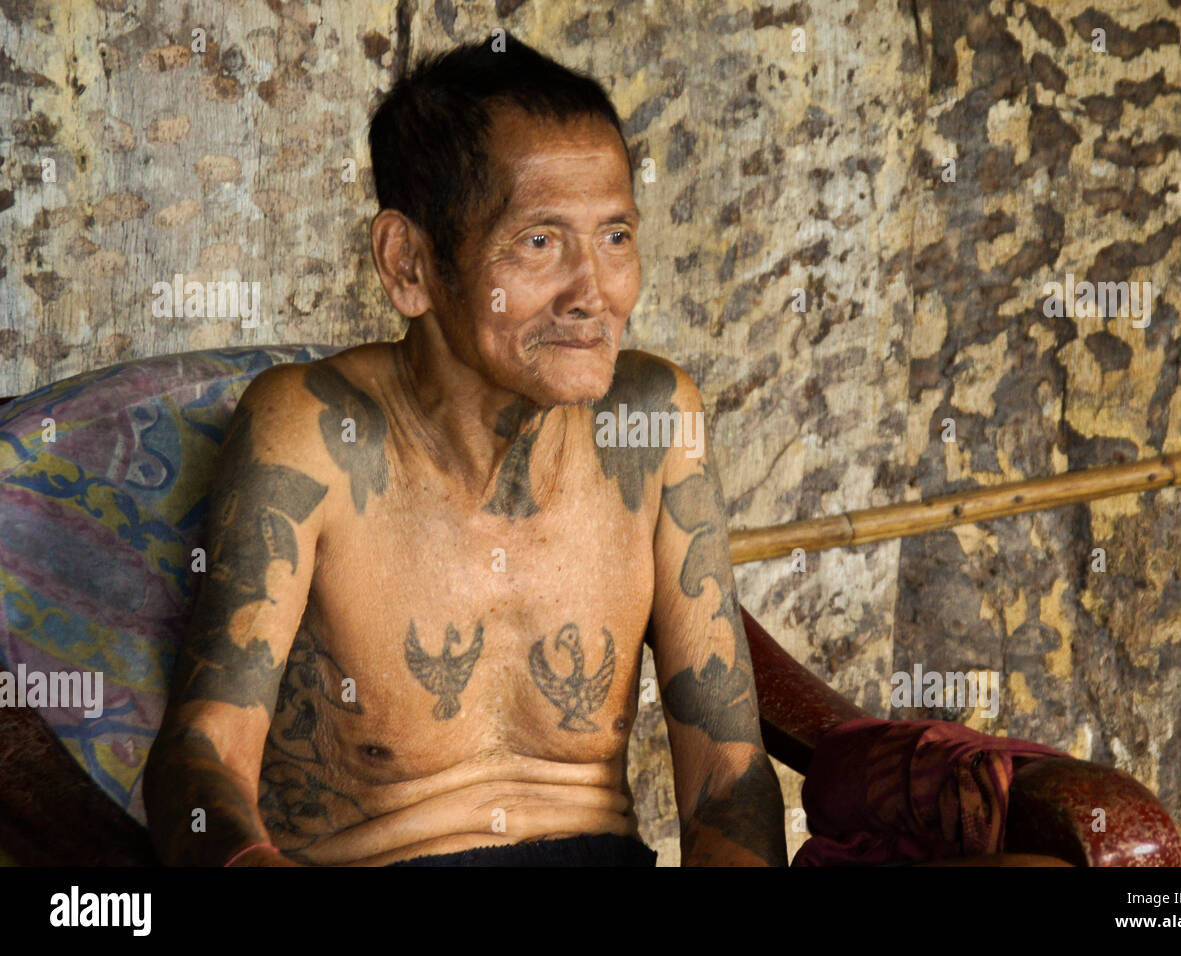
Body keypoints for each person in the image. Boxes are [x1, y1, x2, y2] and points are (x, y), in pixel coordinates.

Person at [142, 31, 787, 868]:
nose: (595, 293)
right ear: (408, 264)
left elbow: (728, 778)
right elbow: (202, 756)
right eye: (540, 242)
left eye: (617, 236)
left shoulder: (653, 424)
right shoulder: (314, 434)